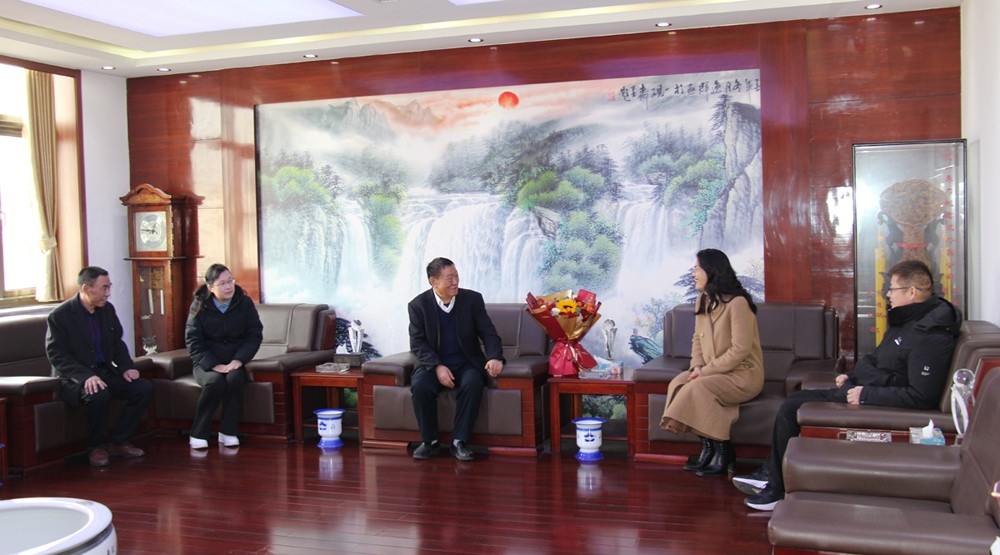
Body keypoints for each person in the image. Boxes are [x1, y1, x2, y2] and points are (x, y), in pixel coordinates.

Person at [736, 259, 962, 511]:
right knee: (796, 401)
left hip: (878, 402)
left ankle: (776, 488)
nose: (887, 294)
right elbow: (875, 361)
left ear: (912, 292)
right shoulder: (906, 322)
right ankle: (771, 473)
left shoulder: (930, 334)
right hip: (865, 389)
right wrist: (853, 376)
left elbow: (922, 396)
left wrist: (866, 394)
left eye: (892, 289)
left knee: (792, 406)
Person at [659, 249, 765, 476]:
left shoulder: (738, 303)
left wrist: (705, 372)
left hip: (742, 375)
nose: (693, 274)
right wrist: (697, 367)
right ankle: (708, 447)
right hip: (713, 372)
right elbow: (697, 339)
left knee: (698, 387)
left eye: (697, 268)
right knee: (679, 382)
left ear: (712, 270)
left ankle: (723, 450)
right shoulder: (703, 300)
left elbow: (740, 350)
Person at [46, 266, 153, 467]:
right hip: (76, 377)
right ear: (86, 288)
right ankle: (97, 447)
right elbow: (57, 355)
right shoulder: (60, 316)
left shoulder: (107, 310)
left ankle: (120, 441)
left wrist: (126, 367)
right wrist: (86, 376)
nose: (108, 293)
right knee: (98, 393)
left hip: (105, 371)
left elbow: (117, 343)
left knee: (142, 387)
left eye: (109, 287)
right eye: (104, 288)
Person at [408, 257, 505, 461]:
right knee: (420, 385)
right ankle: (430, 441)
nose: (455, 282)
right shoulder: (418, 305)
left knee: (473, 382)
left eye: (457, 276)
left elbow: (488, 332)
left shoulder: (472, 300)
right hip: (433, 364)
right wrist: (437, 366)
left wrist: (495, 357)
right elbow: (417, 343)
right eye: (449, 278)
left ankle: (459, 441)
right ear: (434, 282)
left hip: (466, 362)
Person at [185, 263, 263, 450]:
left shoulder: (244, 303)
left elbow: (254, 335)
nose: (228, 287)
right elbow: (193, 341)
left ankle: (228, 431)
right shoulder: (199, 305)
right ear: (210, 287)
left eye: (230, 281)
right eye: (222, 283)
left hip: (234, 361)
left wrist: (238, 360)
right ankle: (198, 433)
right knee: (215, 382)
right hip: (206, 363)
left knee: (235, 380)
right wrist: (213, 365)